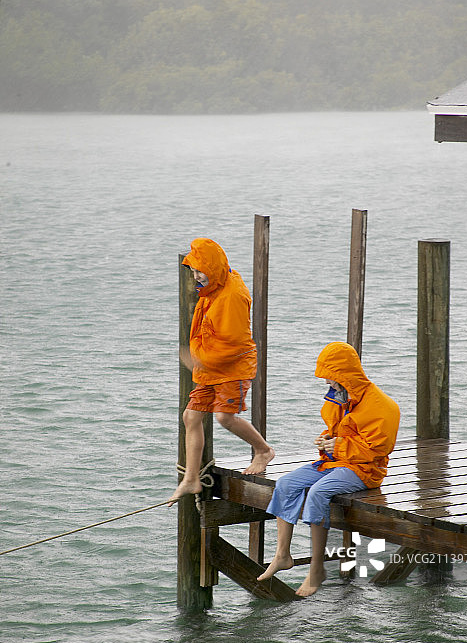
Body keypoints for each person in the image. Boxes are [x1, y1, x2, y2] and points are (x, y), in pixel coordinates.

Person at [257, 341, 400, 597]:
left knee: (317, 493)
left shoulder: (383, 407)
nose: (327, 384)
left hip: (364, 470)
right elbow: (337, 432)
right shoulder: (339, 399)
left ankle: (317, 569)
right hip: (334, 462)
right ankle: (282, 555)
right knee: (286, 483)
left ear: (345, 377)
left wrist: (339, 445)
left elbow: (377, 452)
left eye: (331, 378)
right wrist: (326, 440)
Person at [168, 238, 275, 505]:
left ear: (213, 268)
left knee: (224, 418)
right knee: (191, 416)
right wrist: (201, 361)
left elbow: (234, 345)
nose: (196, 277)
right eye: (193, 271)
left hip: (233, 367)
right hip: (209, 365)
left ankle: (263, 451)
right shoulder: (217, 282)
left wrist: (198, 361)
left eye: (199, 271)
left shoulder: (233, 297)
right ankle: (192, 477)